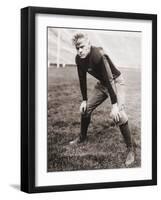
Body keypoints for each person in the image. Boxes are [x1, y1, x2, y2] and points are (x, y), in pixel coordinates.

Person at [70, 32, 135, 167]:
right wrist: (84, 99)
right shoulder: (79, 59)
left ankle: (131, 149)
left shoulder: (98, 55)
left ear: (88, 44)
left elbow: (110, 79)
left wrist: (114, 104)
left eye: (82, 46)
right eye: (77, 48)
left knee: (119, 115)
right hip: (102, 83)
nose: (80, 50)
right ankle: (82, 137)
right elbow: (82, 79)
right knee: (85, 109)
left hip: (115, 82)